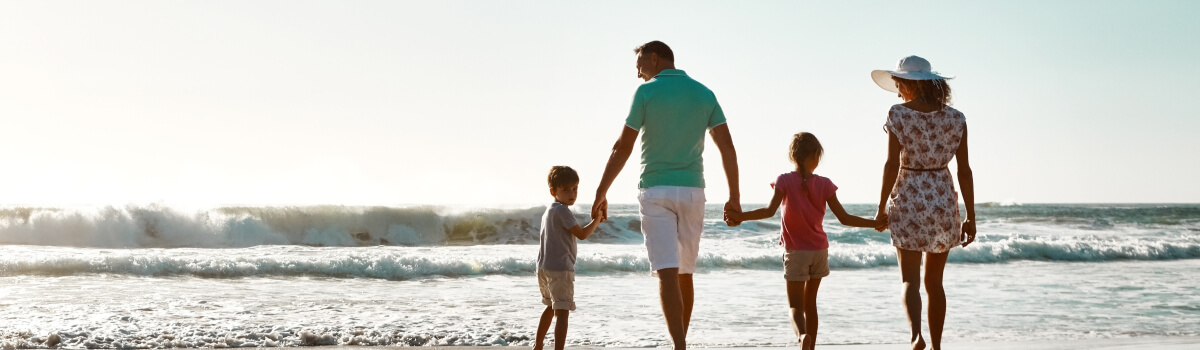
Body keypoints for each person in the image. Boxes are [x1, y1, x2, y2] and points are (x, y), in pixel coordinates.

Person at [591, 40, 741, 350]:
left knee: (667, 275)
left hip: (656, 191)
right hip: (692, 192)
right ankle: (680, 345)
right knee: (684, 274)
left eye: (640, 66)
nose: (638, 74)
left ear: (655, 57)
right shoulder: (704, 92)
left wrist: (601, 191)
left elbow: (623, 146)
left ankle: (679, 346)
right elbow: (727, 146)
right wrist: (734, 196)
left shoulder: (646, 92)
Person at [725, 132, 882, 350]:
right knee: (811, 305)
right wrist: (875, 224)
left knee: (795, 308)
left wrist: (739, 217)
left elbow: (769, 211)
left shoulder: (784, 180)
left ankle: (801, 338)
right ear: (815, 156)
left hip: (796, 252)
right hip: (819, 251)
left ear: (793, 156)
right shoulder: (825, 184)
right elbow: (845, 219)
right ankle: (811, 346)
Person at [870, 56, 977, 350]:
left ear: (908, 83)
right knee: (935, 283)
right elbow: (964, 171)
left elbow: (891, 164)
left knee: (909, 281)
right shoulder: (956, 119)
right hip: (942, 199)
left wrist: (881, 207)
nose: (897, 89)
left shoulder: (898, 114)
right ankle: (937, 347)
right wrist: (971, 216)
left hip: (908, 197)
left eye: (899, 83)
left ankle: (916, 336)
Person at [534, 166, 603, 350]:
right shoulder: (562, 210)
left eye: (575, 189)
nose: (571, 193)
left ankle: (538, 345)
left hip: (543, 267)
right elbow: (581, 234)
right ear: (553, 191)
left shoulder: (549, 210)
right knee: (562, 312)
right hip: (560, 269)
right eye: (565, 190)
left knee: (550, 306)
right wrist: (597, 220)